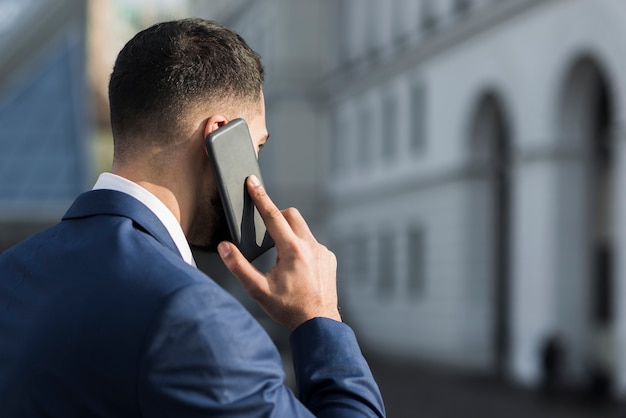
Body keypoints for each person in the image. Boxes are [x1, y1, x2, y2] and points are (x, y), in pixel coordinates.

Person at [0, 18, 385, 417]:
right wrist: (319, 316)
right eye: (256, 148)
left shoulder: (10, 272)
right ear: (219, 136)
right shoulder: (193, 315)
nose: (256, 172)